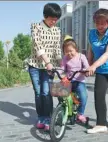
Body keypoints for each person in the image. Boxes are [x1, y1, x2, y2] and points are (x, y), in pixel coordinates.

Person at [27, 3, 62, 131]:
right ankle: (41, 117)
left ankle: (48, 119)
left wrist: (61, 63)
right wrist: (47, 62)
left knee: (46, 93)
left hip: (50, 67)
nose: (54, 21)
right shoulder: (35, 27)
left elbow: (57, 49)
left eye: (56, 19)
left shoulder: (57, 30)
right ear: (45, 16)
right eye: (52, 18)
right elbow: (38, 45)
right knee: (38, 93)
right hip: (36, 65)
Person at [61, 35, 89, 123]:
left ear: (75, 49)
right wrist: (56, 71)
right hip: (69, 80)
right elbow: (62, 68)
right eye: (66, 51)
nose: (69, 53)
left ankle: (80, 114)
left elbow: (87, 67)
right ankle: (63, 110)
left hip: (79, 81)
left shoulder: (82, 57)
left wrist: (85, 71)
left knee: (84, 97)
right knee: (60, 94)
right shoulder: (65, 58)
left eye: (71, 51)